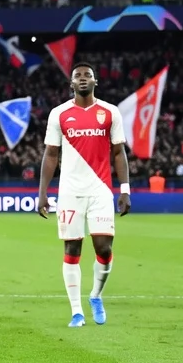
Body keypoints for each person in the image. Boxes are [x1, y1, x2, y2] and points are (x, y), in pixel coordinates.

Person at [37, 63, 131, 327]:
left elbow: (118, 153)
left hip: (100, 189)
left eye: (87, 75)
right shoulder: (59, 114)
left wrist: (125, 189)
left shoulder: (110, 112)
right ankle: (76, 311)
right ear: (71, 83)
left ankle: (96, 295)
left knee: (104, 248)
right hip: (69, 191)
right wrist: (43, 193)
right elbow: (51, 154)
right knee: (72, 249)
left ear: (95, 81)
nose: (82, 79)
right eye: (77, 75)